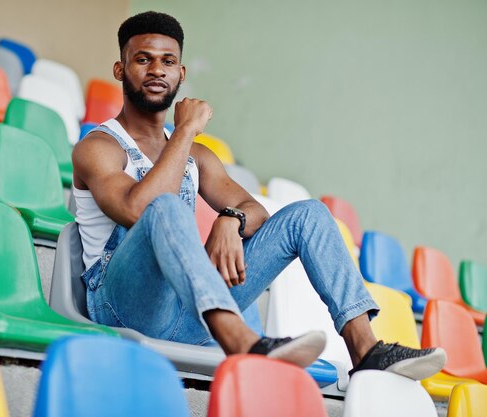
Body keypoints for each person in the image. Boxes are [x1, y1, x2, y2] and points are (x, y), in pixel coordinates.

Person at [72, 10, 446, 379]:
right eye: (143, 60)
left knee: (308, 215)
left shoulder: (199, 158)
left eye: (168, 61)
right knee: (166, 207)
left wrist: (229, 220)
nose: (157, 70)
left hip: (190, 311)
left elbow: (258, 213)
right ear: (120, 70)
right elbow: (138, 210)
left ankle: (365, 349)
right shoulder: (101, 147)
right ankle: (240, 339)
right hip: (122, 306)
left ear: (180, 74)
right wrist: (186, 131)